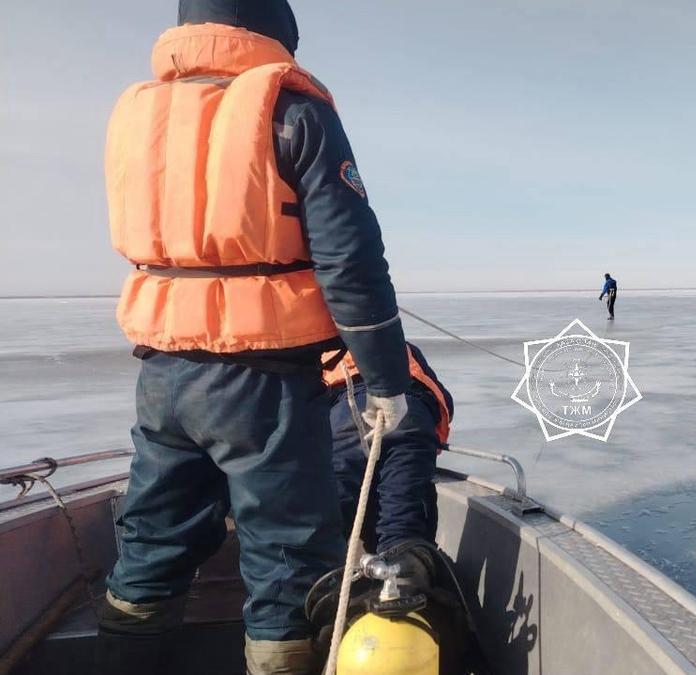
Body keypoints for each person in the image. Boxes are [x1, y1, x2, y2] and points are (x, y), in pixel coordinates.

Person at [99, 2, 413, 673]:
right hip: (260, 382)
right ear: (275, 32)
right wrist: (386, 378)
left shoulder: (140, 112)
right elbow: (349, 258)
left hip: (162, 374)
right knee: (289, 557)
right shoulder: (293, 111)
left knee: (151, 538)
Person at [324, 344, 452, 555]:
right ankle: (404, 574)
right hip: (410, 412)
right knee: (404, 523)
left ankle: (322, 576)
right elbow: (444, 401)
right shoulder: (402, 346)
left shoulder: (315, 353)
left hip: (349, 414)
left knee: (335, 513)